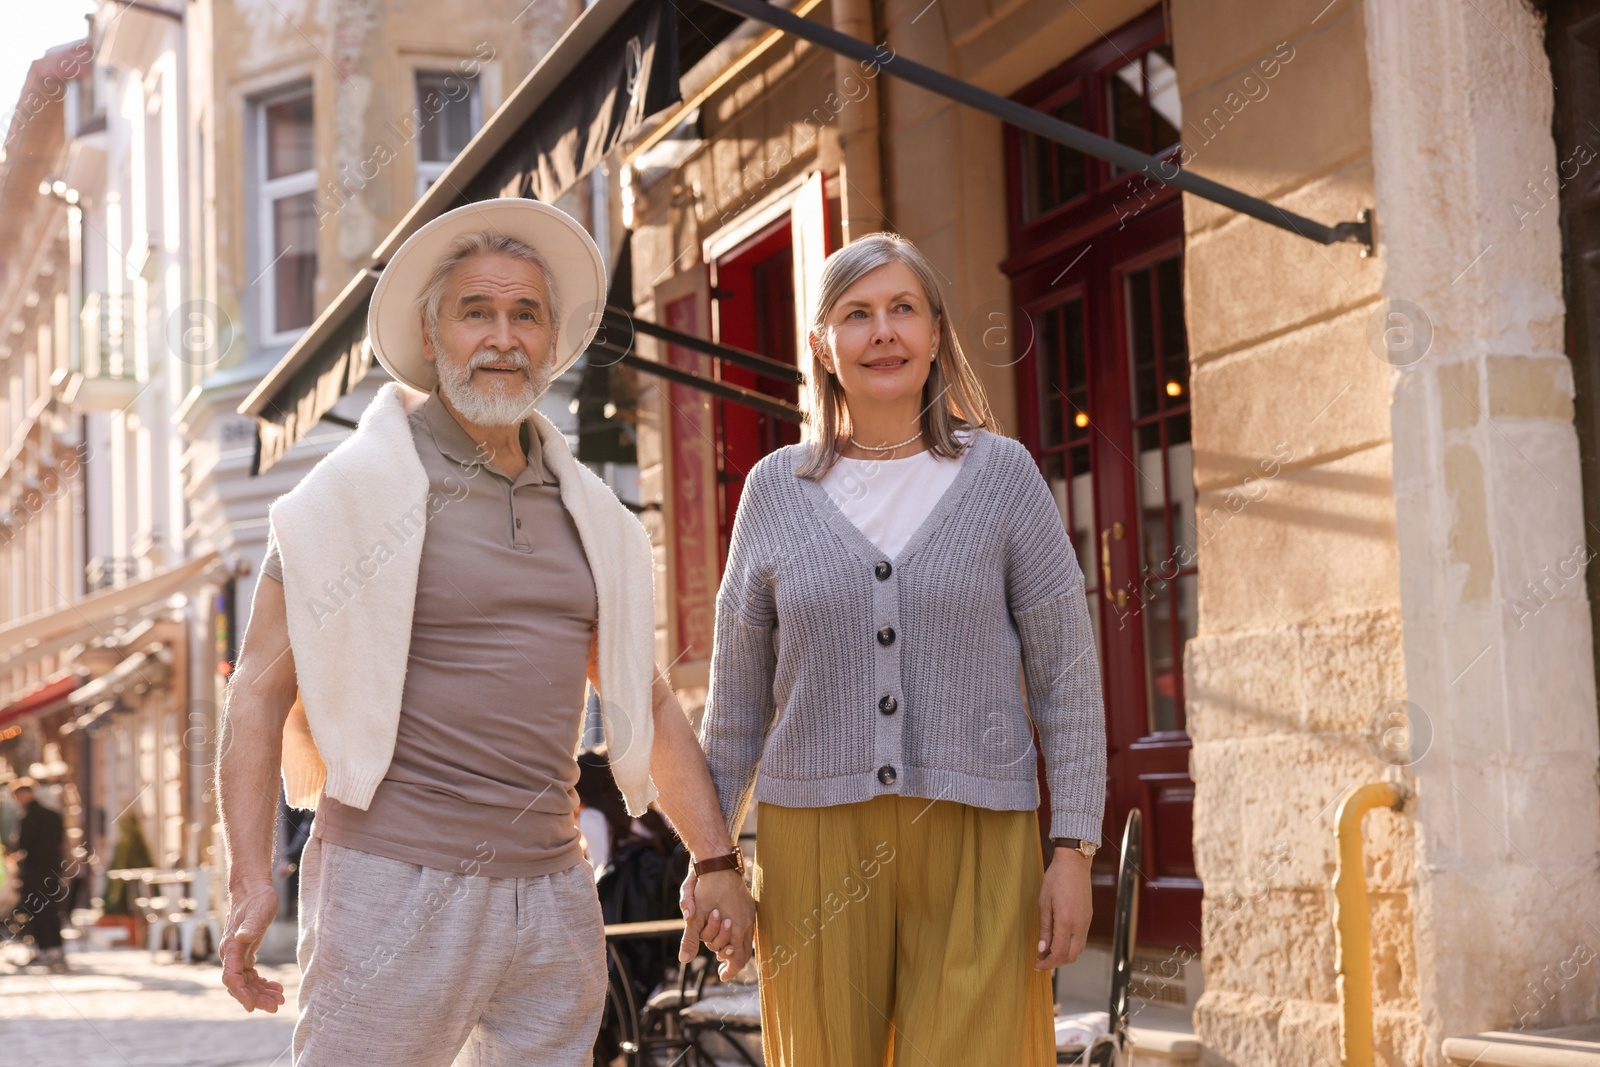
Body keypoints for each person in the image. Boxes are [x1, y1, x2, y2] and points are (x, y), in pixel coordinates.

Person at [216, 199, 754, 1066]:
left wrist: (717, 857)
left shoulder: (595, 517)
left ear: (550, 343)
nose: (502, 336)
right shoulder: (346, 497)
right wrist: (249, 879)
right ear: (433, 337)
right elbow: (256, 692)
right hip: (394, 881)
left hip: (554, 891)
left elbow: (642, 700)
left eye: (525, 314)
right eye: (477, 312)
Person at [689, 233, 1107, 1066]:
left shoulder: (1004, 475)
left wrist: (1073, 849)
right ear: (822, 345)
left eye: (903, 309)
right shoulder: (775, 490)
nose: (883, 332)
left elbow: (1067, 672)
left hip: (980, 832)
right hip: (813, 842)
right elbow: (735, 697)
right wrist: (712, 860)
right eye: (857, 314)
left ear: (935, 332)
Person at [5, 779, 69, 972]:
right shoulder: (53, 814)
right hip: (52, 869)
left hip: (35, 870)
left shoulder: (29, 817)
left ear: (25, 795)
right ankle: (54, 949)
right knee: (50, 908)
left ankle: (43, 949)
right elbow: (60, 840)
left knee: (36, 908)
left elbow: (23, 844)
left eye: (17, 797)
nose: (16, 801)